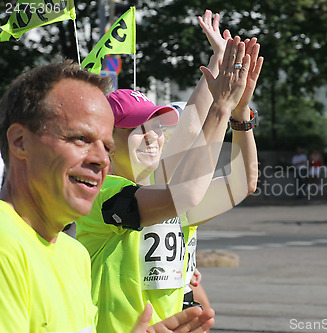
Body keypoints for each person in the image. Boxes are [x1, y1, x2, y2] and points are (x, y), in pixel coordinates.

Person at [75, 12, 263, 332]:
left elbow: (242, 180)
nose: (154, 135)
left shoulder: (163, 187)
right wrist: (220, 107)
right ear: (106, 142)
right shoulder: (98, 193)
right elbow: (185, 194)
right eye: (137, 127)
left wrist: (239, 111)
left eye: (159, 126)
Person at [0, 60, 215, 332]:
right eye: (80, 139)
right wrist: (221, 109)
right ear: (20, 142)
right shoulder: (5, 245)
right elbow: (189, 187)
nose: (101, 159)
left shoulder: (73, 254)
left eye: (106, 145)